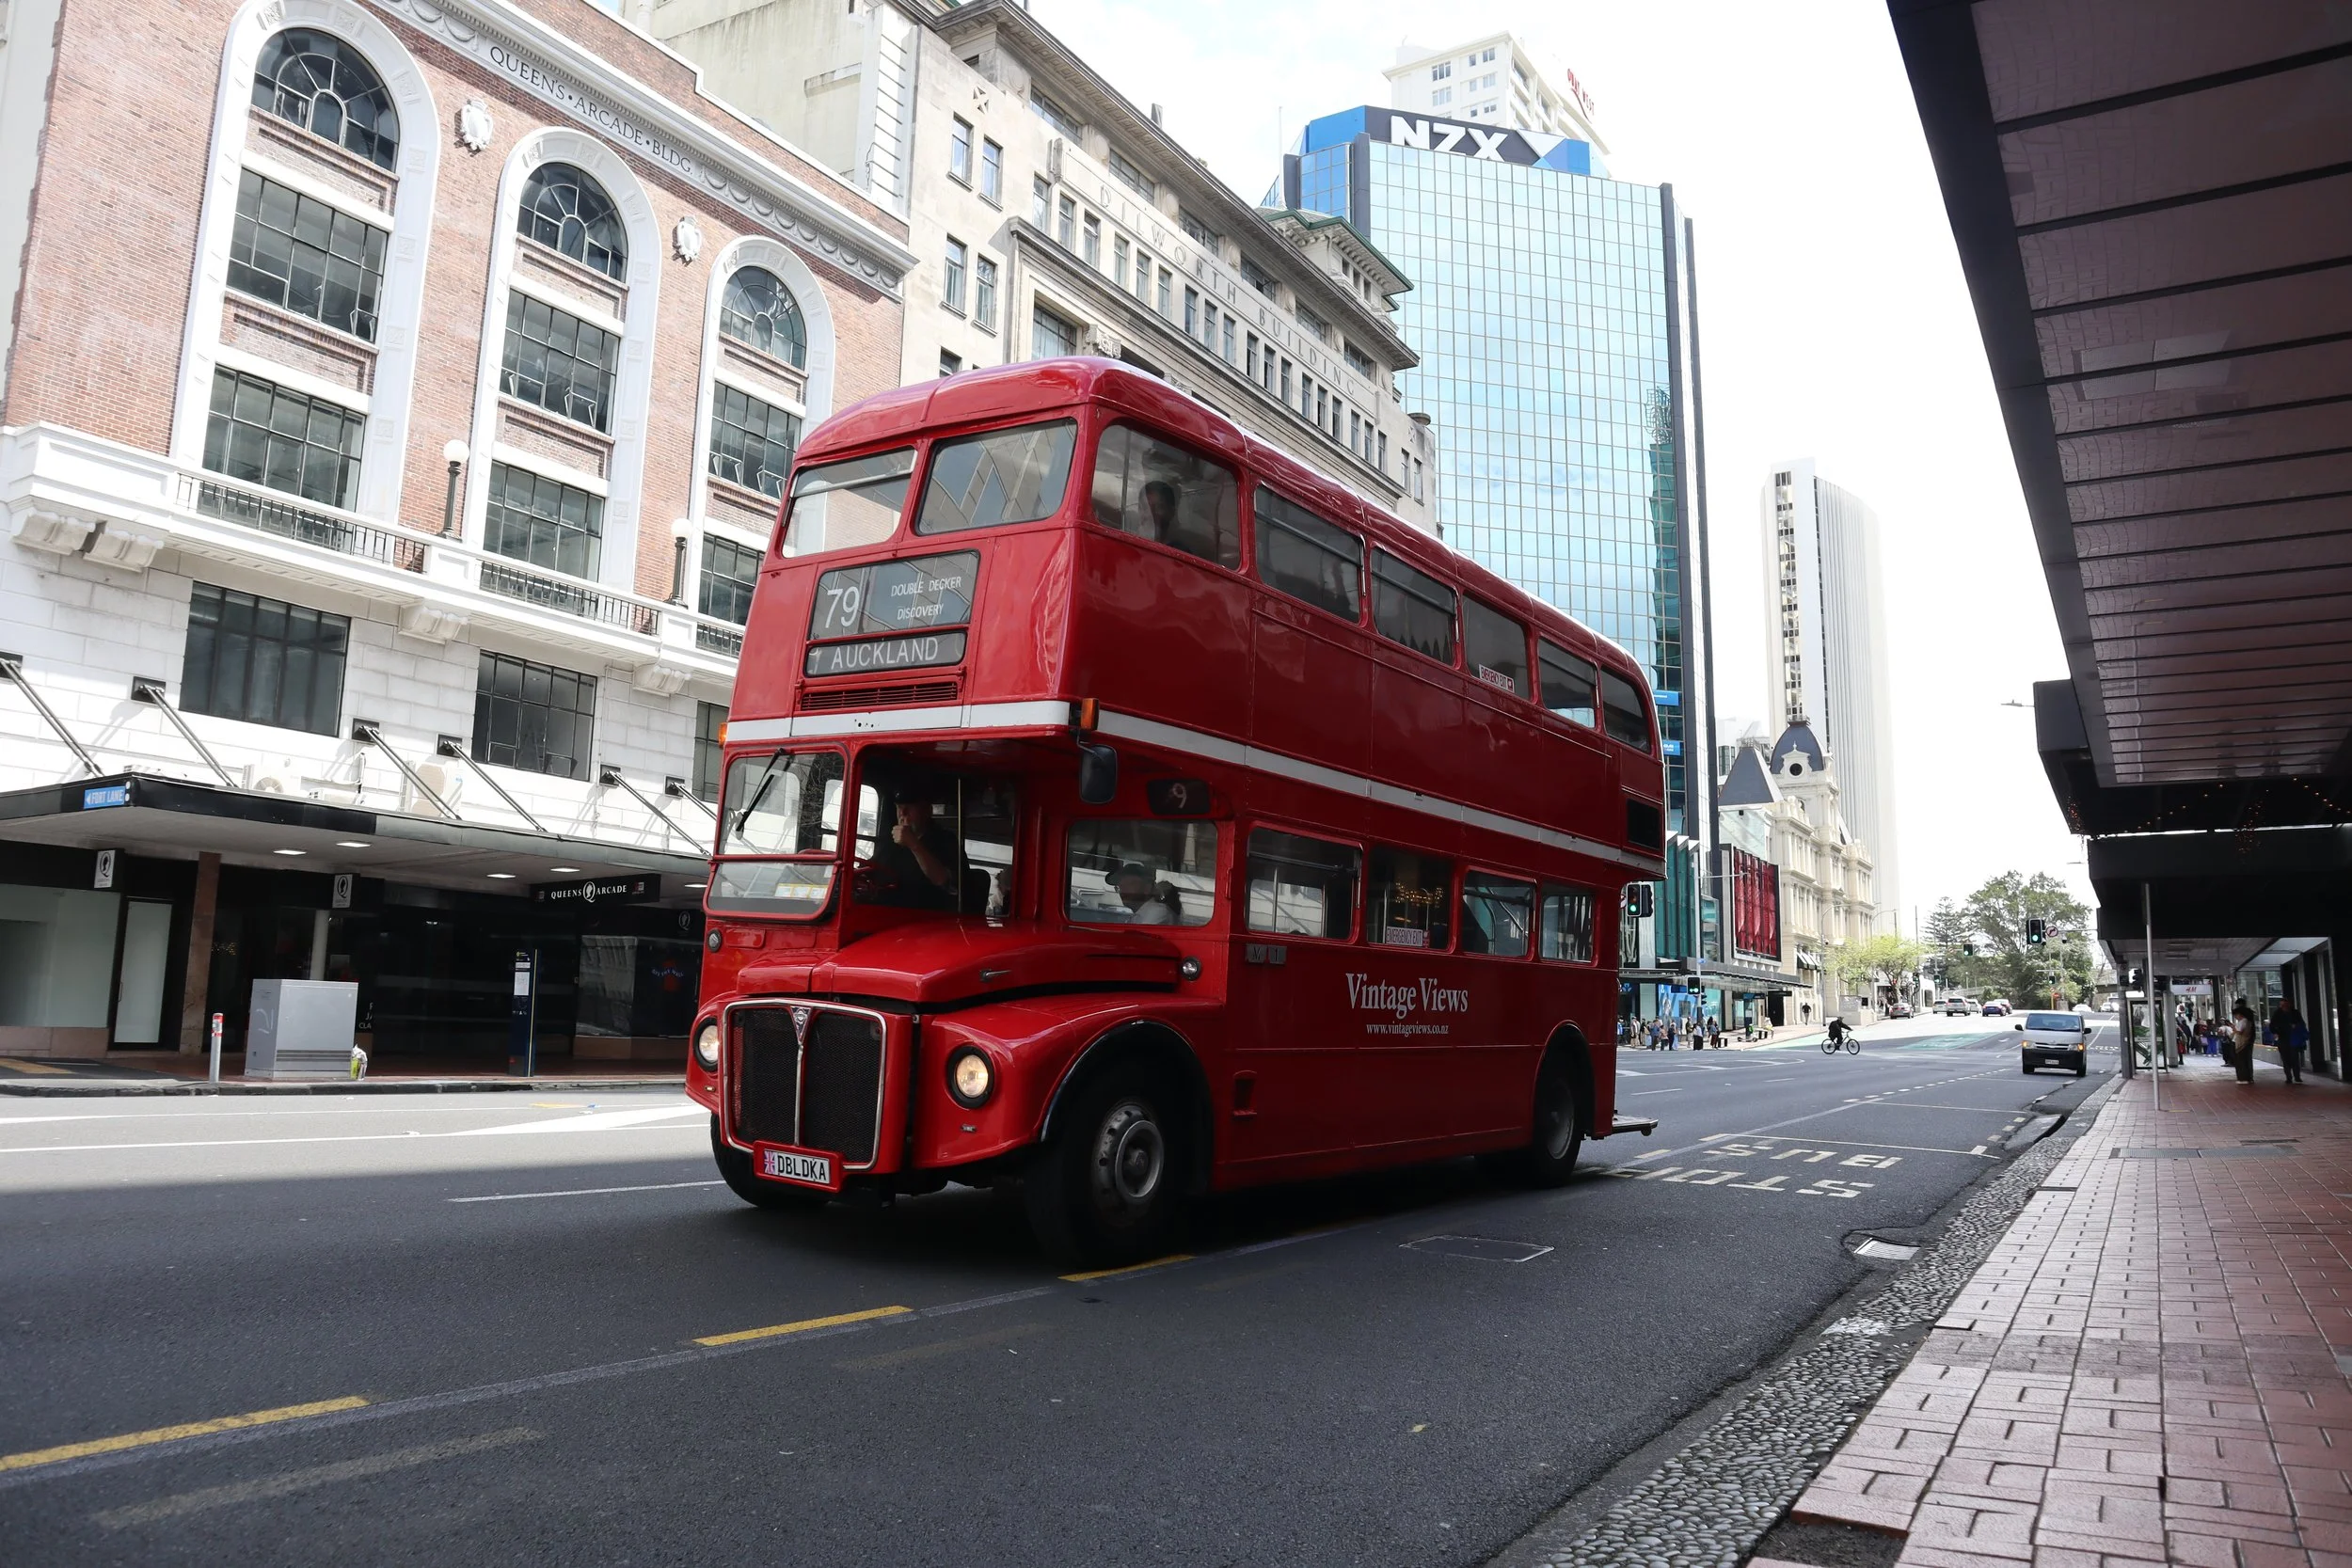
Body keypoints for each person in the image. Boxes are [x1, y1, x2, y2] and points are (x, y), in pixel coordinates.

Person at [872, 799, 960, 911]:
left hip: (925, 914)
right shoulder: (891, 841)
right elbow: (873, 867)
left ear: (927, 811)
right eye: (899, 807)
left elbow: (944, 880)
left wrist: (913, 844)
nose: (903, 813)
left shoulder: (945, 840)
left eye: (910, 807)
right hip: (884, 910)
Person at [1111, 863, 1182, 925]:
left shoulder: (1157, 911)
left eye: (1129, 884)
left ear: (1147, 888)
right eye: (1120, 887)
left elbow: (1138, 935)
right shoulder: (1139, 915)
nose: (1122, 891)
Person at [2272, 1000, 2310, 1085]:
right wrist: (2275, 1032)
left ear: (2289, 1005)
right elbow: (2272, 1025)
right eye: (2281, 1005)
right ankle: (2289, 1077)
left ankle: (2297, 1077)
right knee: (2285, 1059)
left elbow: (2301, 1023)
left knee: (2294, 1058)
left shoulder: (2295, 1013)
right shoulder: (2277, 1013)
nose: (2283, 1006)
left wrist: (2295, 1026)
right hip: (2282, 1038)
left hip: (2293, 1038)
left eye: (2285, 1005)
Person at [2231, 1001, 2258, 1085]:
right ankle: (2248, 1077)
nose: (2236, 1017)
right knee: (2246, 1060)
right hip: (2245, 1042)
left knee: (2241, 1061)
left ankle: (2243, 1078)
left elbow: (2239, 1032)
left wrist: (2233, 1028)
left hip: (2241, 1044)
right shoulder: (2249, 1021)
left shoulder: (2243, 1021)